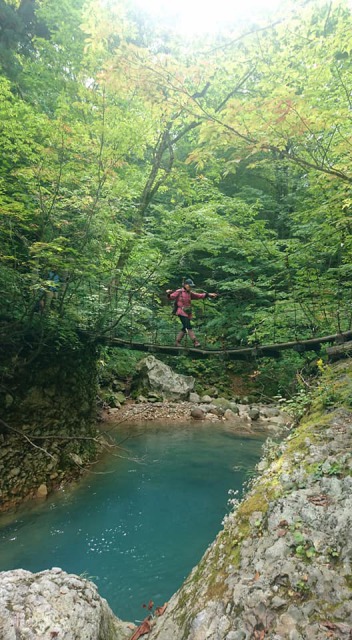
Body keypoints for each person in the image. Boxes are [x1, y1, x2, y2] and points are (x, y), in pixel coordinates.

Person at [166, 278, 218, 347]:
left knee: (185, 327)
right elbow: (171, 297)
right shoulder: (179, 291)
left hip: (187, 313)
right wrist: (169, 293)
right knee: (188, 326)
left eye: (191, 286)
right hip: (181, 312)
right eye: (189, 285)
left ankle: (177, 342)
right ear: (185, 285)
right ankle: (195, 342)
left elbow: (198, 295)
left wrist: (208, 295)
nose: (190, 287)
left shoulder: (190, 293)